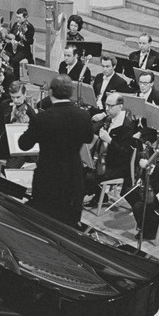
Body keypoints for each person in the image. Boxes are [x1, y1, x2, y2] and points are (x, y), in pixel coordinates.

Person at [18, 75, 94, 228]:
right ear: (70, 93)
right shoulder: (83, 115)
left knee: (44, 221)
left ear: (51, 92)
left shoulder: (43, 118)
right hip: (73, 175)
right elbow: (88, 138)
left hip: (48, 176)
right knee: (70, 223)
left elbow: (24, 144)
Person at [84, 92, 134, 208]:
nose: (107, 108)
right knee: (81, 168)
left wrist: (110, 140)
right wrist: (95, 119)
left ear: (120, 107)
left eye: (111, 106)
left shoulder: (126, 126)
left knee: (89, 177)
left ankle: (80, 198)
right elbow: (92, 130)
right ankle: (98, 194)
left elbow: (124, 153)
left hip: (116, 166)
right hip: (103, 160)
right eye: (106, 105)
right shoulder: (108, 118)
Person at [90, 55, 131, 119]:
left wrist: (103, 114)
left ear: (114, 66)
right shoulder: (99, 77)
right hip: (95, 108)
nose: (104, 69)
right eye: (103, 66)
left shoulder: (120, 82)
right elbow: (94, 94)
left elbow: (119, 106)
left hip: (107, 113)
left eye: (107, 66)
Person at [8, 7, 35, 78]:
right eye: (17, 17)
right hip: (14, 47)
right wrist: (12, 39)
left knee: (15, 60)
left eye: (19, 18)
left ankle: (16, 78)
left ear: (25, 17)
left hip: (23, 49)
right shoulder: (15, 24)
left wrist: (23, 37)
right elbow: (11, 34)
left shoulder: (29, 27)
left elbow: (30, 41)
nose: (17, 19)